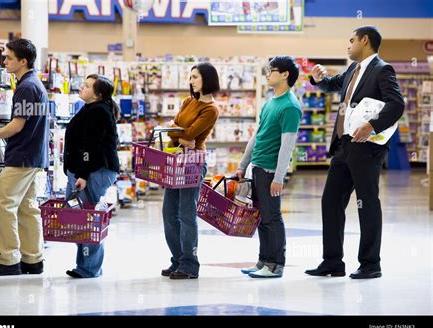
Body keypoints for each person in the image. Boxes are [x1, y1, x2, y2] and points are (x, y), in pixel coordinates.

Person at [305, 26, 405, 279]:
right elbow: (331, 85)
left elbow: (397, 104)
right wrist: (318, 79)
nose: (348, 45)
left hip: (367, 148)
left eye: (351, 40)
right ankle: (332, 262)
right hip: (344, 145)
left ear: (365, 40)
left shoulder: (383, 69)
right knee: (330, 200)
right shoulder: (352, 69)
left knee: (366, 203)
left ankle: (371, 264)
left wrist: (372, 126)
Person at [0, 39, 49, 276]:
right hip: (33, 155)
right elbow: (23, 123)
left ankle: (7, 259)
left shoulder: (27, 87)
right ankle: (32, 259)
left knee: (2, 204)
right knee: (27, 207)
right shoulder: (35, 84)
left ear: (23, 61)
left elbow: (17, 126)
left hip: (22, 156)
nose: (4, 61)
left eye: (8, 57)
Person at [236, 56, 301, 279]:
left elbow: (287, 146)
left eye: (272, 70)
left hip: (271, 170)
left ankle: (276, 264)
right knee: (261, 216)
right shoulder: (270, 103)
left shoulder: (291, 107)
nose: (268, 74)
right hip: (258, 167)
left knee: (272, 217)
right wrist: (243, 164)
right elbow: (257, 135)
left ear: (285, 75)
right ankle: (264, 260)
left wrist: (279, 177)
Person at [162, 62, 220, 280]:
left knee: (186, 214)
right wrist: (179, 134)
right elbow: (179, 132)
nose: (191, 80)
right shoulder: (188, 101)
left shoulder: (211, 109)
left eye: (195, 77)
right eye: (190, 77)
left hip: (194, 162)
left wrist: (177, 132)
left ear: (207, 79)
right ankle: (177, 260)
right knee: (169, 213)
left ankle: (189, 265)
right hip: (176, 158)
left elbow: (189, 134)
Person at [63, 74, 119, 278]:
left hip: (94, 171)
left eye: (87, 86)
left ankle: (89, 268)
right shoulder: (91, 108)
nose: (82, 88)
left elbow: (91, 147)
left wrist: (83, 174)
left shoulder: (98, 112)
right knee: (80, 218)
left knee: (88, 219)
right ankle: (85, 266)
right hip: (84, 170)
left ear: (98, 94)